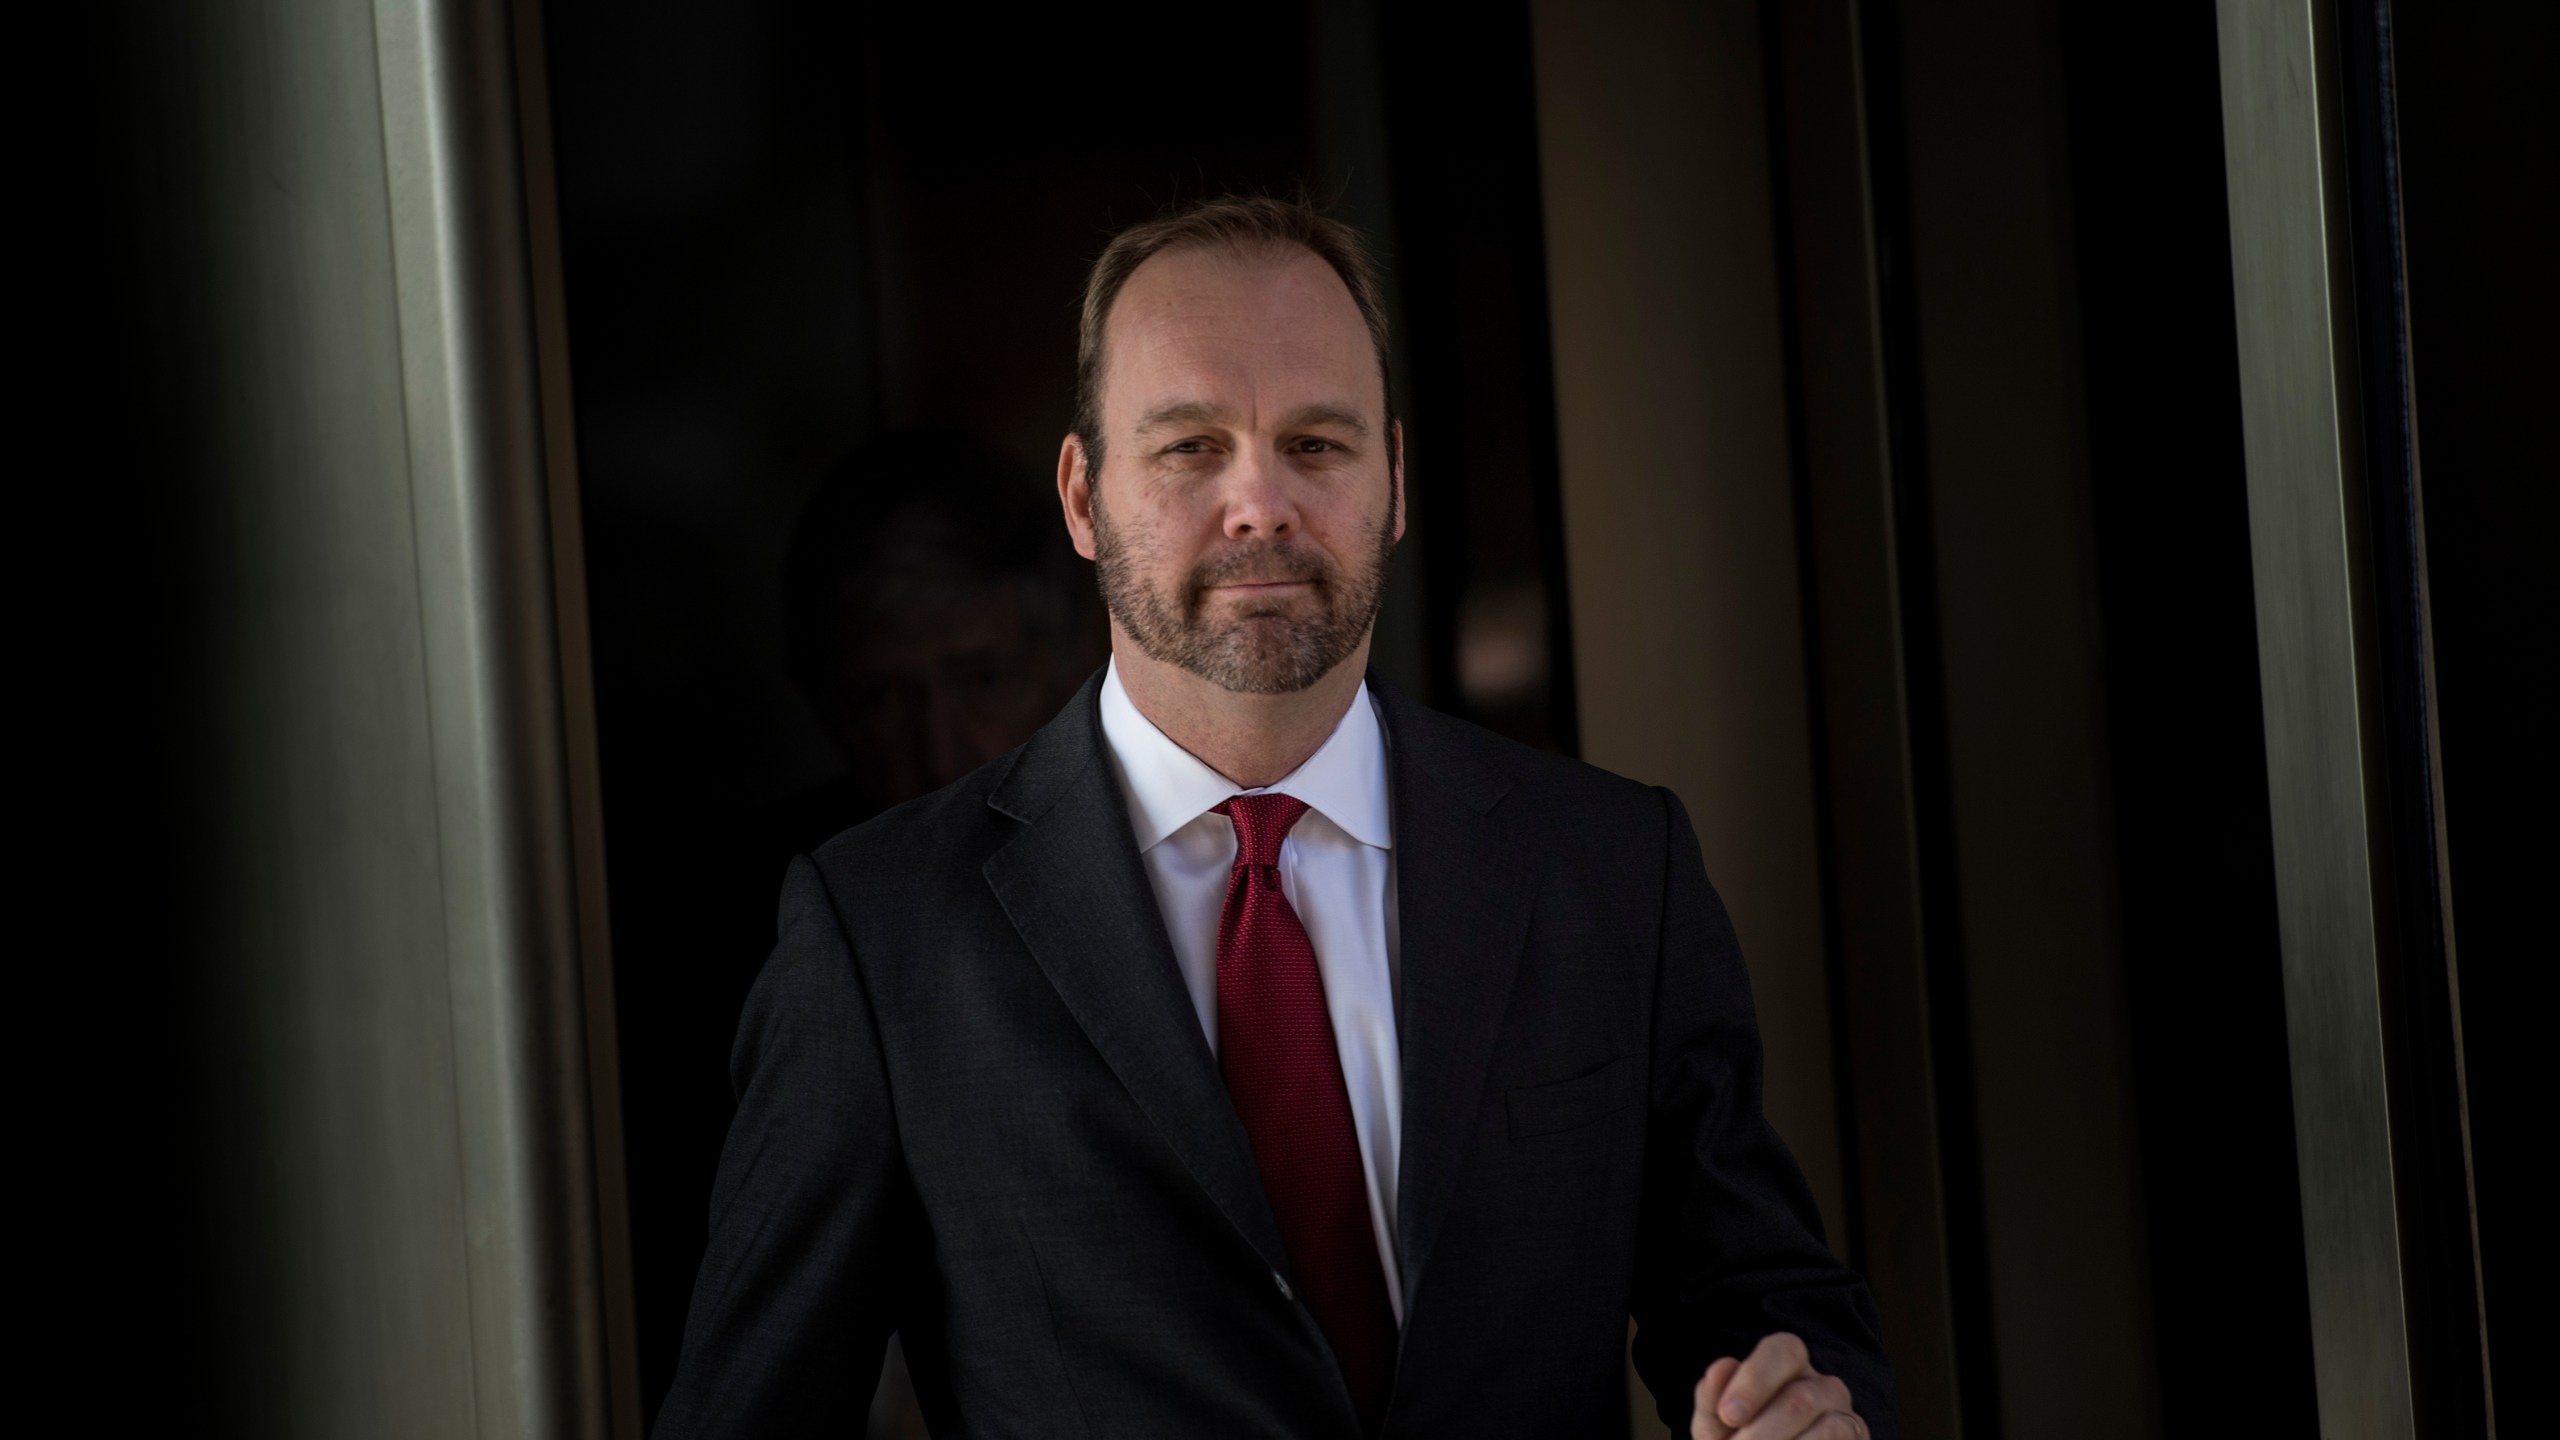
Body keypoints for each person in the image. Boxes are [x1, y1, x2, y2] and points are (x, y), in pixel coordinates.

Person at [656, 196, 1893, 1438]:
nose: (1260, 505)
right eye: (1190, 447)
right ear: (1082, 498)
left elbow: (1765, 1300)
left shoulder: (1613, 867)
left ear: (1395, 482)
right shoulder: (880, 938)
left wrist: (1801, 1407)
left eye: (1316, 443)